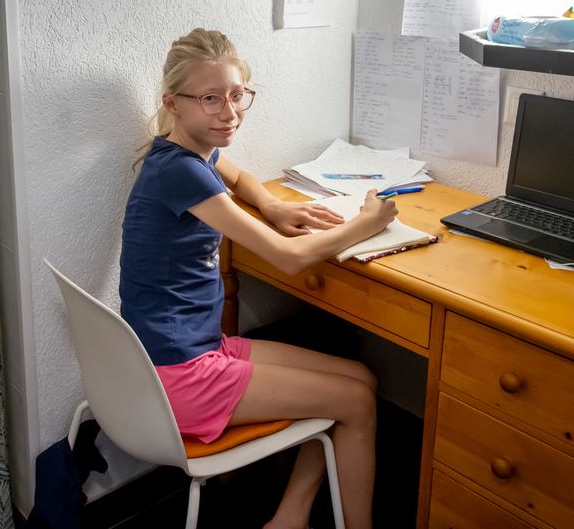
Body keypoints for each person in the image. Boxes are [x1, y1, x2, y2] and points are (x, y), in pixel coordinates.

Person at [120, 28, 397, 529]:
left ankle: (288, 517)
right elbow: (288, 259)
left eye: (237, 94)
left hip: (184, 351)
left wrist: (272, 204)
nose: (229, 112)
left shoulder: (188, 149)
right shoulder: (180, 172)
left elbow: (241, 177)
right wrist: (367, 223)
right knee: (357, 401)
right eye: (210, 99)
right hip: (182, 374)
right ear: (173, 102)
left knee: (362, 379)